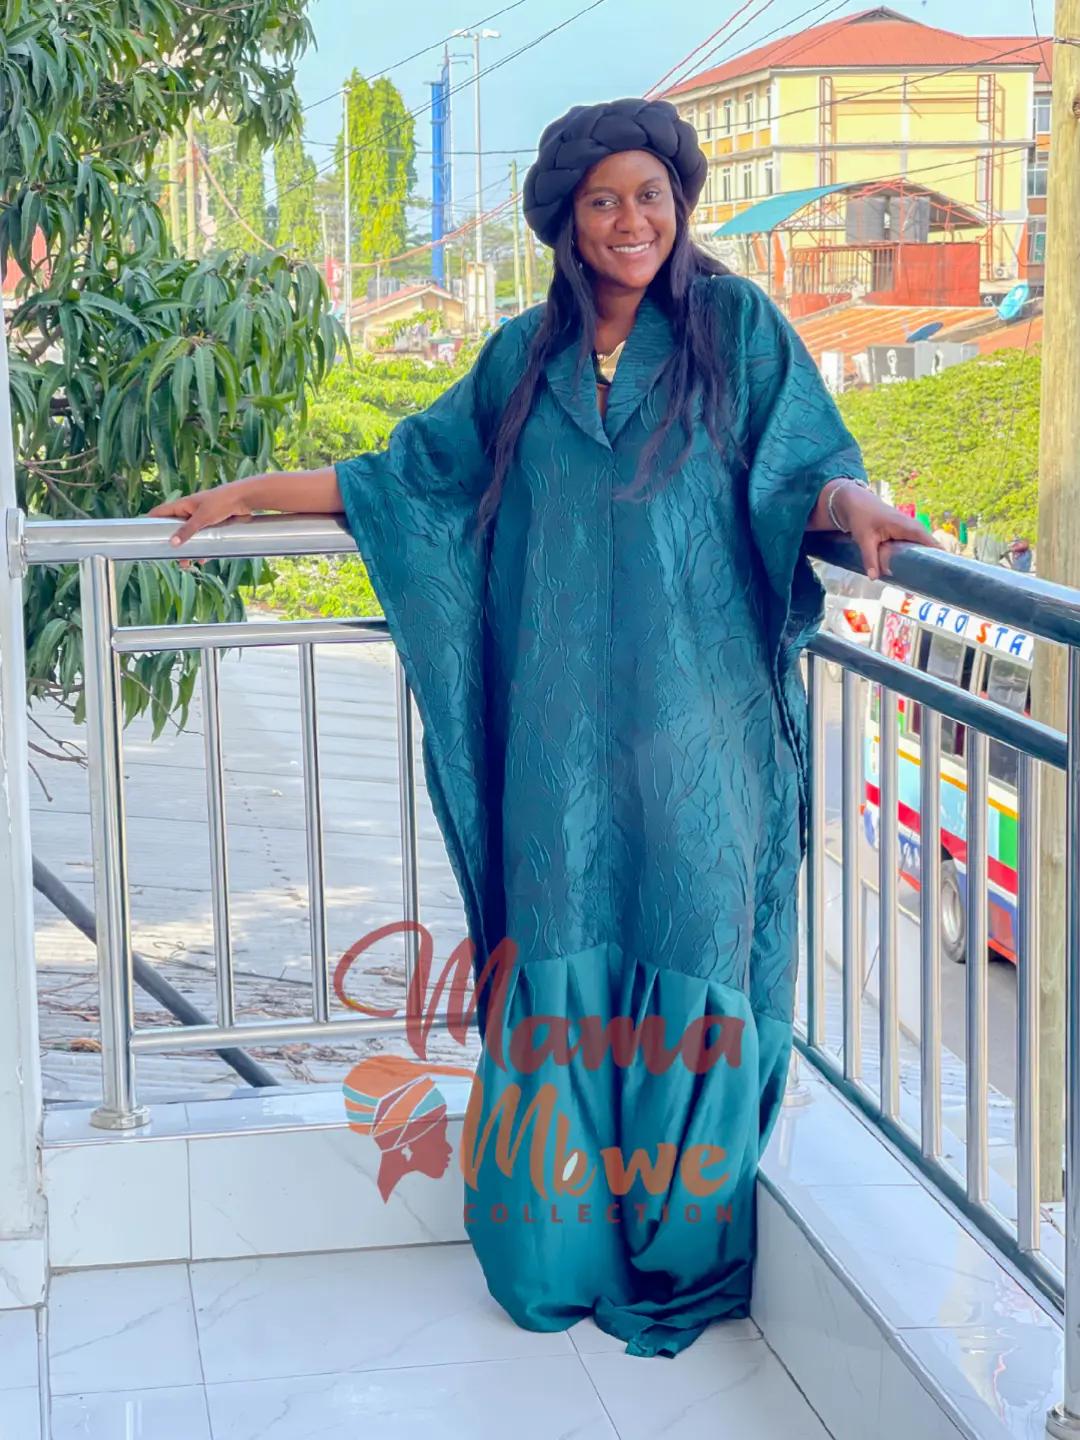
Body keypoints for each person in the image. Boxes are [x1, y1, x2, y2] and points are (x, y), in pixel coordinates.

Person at [147, 97, 937, 1359]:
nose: (632, 221)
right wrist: (251, 494)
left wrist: (853, 505)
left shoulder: (735, 329)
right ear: (567, 222)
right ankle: (557, 1245)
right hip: (560, 746)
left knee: (695, 949)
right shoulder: (523, 360)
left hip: (704, 737)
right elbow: (408, 479)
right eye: (603, 200)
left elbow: (804, 467)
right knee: (560, 952)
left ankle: (680, 1247)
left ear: (680, 205)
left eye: (650, 196)